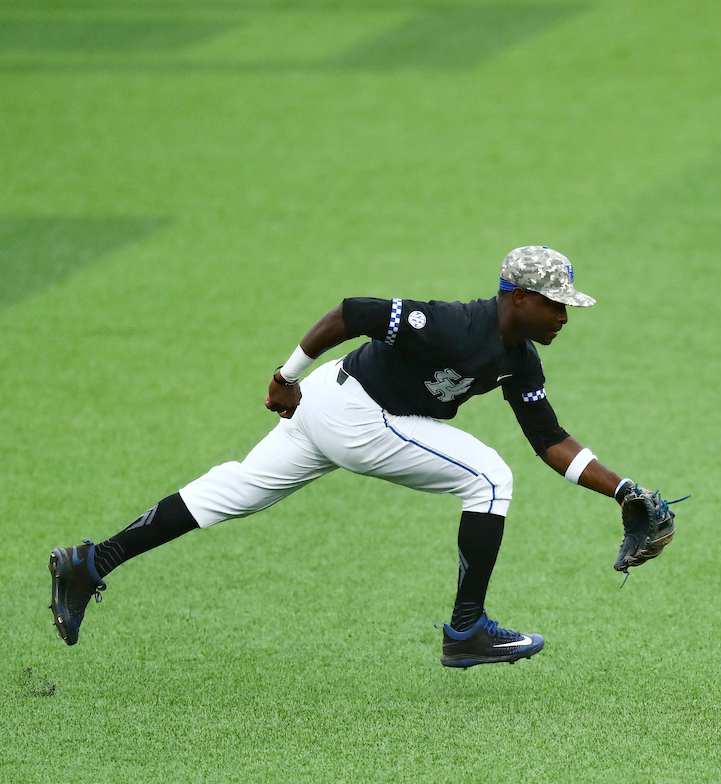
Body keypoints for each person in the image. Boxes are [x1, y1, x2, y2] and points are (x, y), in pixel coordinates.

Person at [48, 246, 644, 668]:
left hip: (336, 409)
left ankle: (92, 561)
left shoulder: (521, 358)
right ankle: (467, 631)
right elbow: (352, 312)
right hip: (351, 412)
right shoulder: (452, 324)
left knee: (232, 491)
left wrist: (623, 490)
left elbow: (550, 440)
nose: (565, 315)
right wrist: (284, 376)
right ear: (516, 298)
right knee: (489, 477)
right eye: (555, 303)